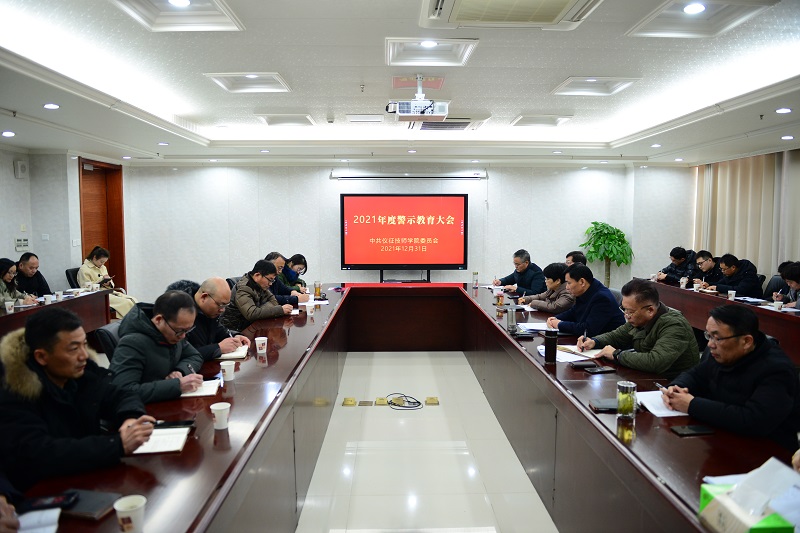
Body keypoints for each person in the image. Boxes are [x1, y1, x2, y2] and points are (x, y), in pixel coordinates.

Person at [0, 307, 154, 491]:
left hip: (86, 475)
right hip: (42, 489)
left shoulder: (80, 372)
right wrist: (117, 445)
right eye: (73, 349)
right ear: (41, 356)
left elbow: (120, 394)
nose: (84, 355)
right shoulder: (14, 391)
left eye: (84, 344)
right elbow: (41, 453)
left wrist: (130, 418)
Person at [662, 305, 800, 451]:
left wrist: (692, 405)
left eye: (717, 338)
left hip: (767, 451)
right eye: (708, 336)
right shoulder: (720, 353)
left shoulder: (777, 370)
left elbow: (754, 421)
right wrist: (676, 388)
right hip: (721, 436)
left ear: (746, 341)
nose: (710, 344)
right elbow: (696, 375)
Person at [577, 279, 699, 379]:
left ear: (650, 310)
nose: (626, 315)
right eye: (624, 309)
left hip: (673, 385)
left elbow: (655, 361)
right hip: (646, 376)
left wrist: (616, 354)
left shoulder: (674, 325)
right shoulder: (639, 319)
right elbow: (617, 336)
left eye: (630, 311)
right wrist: (594, 341)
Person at [110, 290, 204, 404]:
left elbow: (194, 356)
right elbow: (122, 392)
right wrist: (177, 385)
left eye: (187, 330)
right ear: (159, 320)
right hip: (145, 410)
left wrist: (180, 371)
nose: (183, 336)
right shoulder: (132, 343)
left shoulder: (173, 333)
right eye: (180, 331)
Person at [166, 278, 251, 361]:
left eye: (225, 305)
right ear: (204, 297)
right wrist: (217, 348)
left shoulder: (210, 312)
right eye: (221, 305)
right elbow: (183, 354)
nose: (222, 310)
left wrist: (235, 336)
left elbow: (219, 331)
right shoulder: (180, 316)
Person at [546, 264, 625, 336]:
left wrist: (559, 324)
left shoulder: (602, 298)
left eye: (569, 283)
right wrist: (555, 318)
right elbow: (574, 312)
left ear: (582, 282)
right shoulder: (586, 290)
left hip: (608, 343)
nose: (567, 287)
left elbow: (588, 329)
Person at [221, 260, 294, 332]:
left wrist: (259, 310)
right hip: (237, 330)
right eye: (270, 279)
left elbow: (273, 300)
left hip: (253, 325)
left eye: (272, 280)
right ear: (257, 275)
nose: (270, 284)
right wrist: (279, 310)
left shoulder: (260, 284)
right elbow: (252, 314)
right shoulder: (244, 288)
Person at [77, 246, 138, 317]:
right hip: (97, 295)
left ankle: (135, 320)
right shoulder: (84, 270)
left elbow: (110, 282)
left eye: (104, 262)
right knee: (126, 303)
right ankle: (129, 320)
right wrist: (100, 281)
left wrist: (108, 283)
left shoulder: (103, 267)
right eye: (101, 262)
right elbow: (86, 288)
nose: (102, 264)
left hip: (107, 291)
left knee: (133, 300)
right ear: (94, 258)